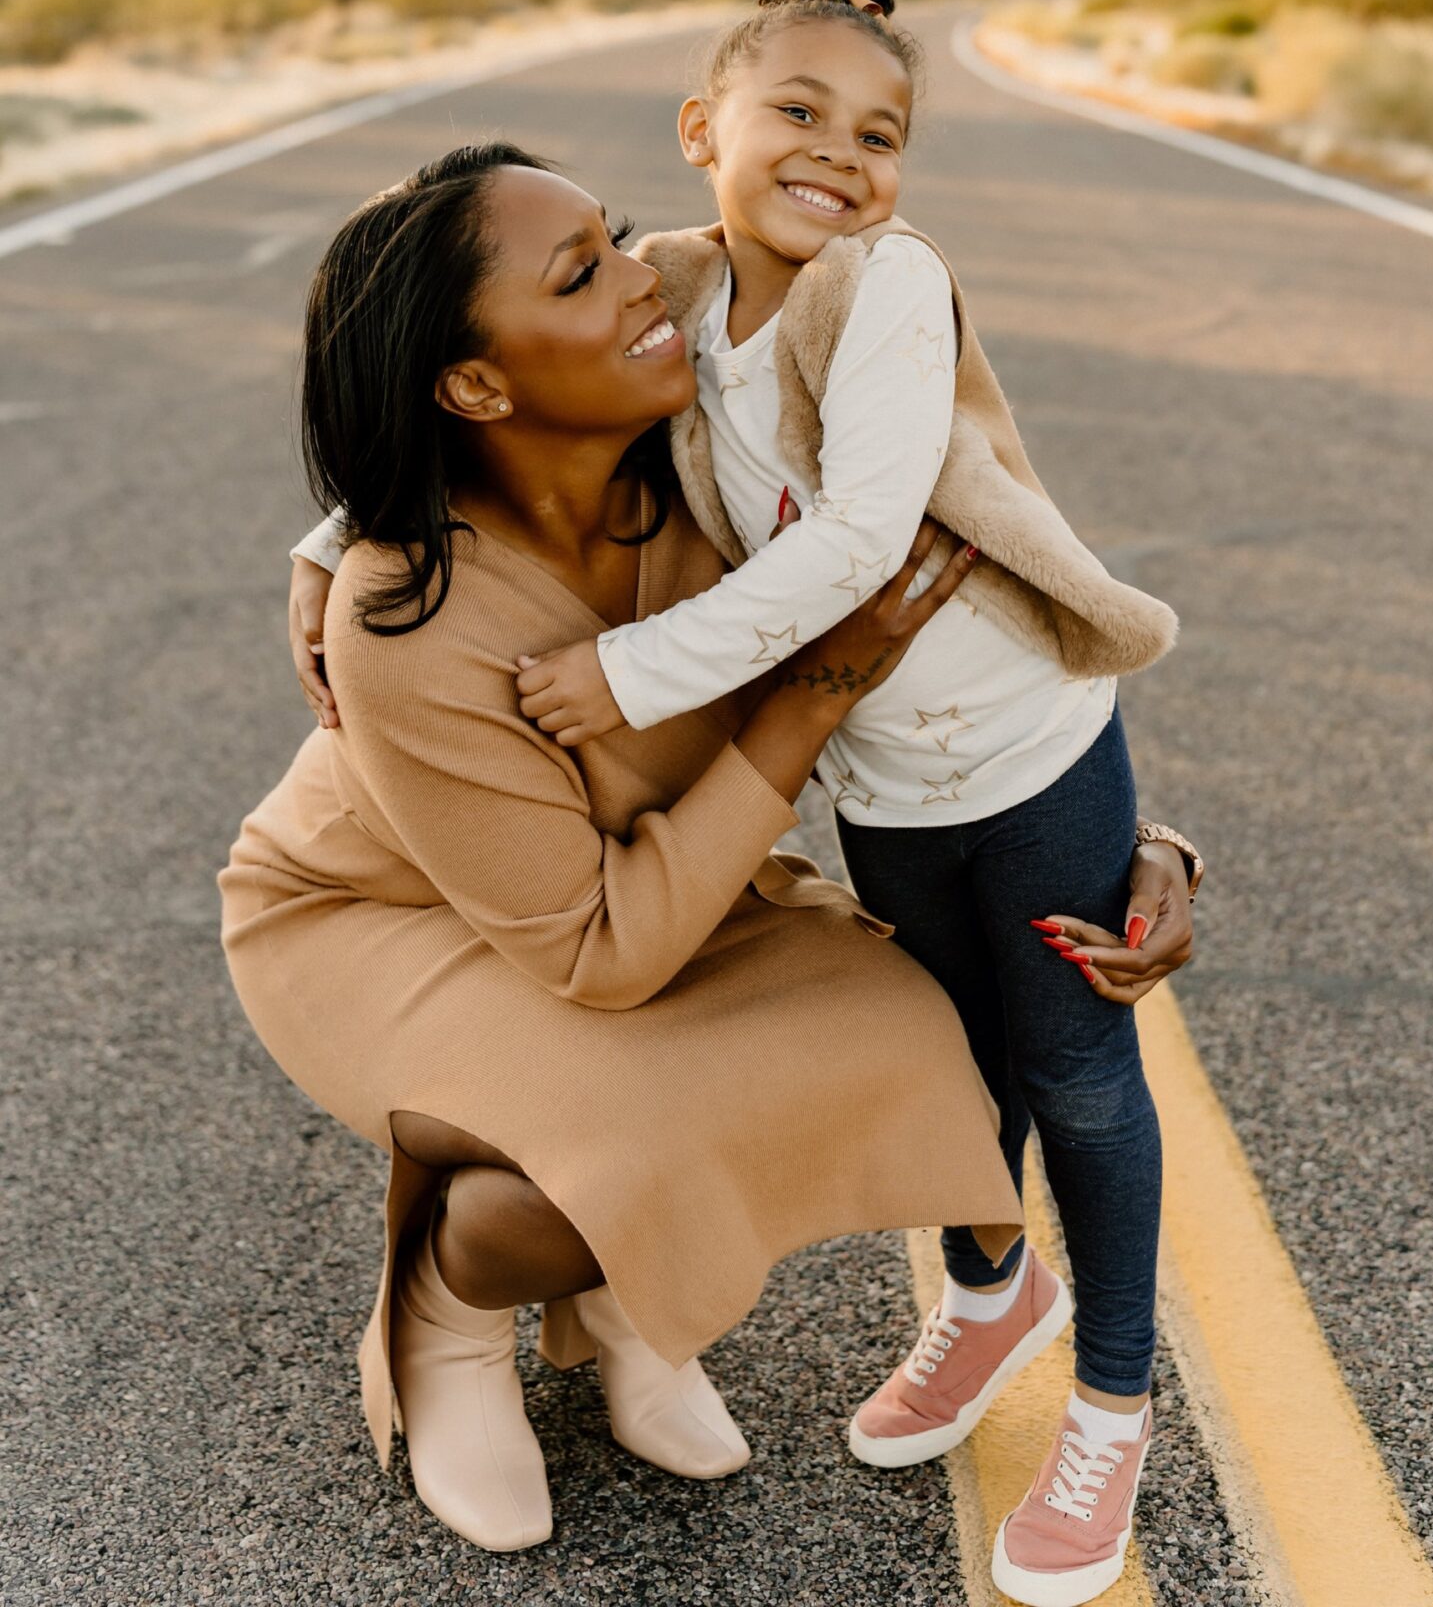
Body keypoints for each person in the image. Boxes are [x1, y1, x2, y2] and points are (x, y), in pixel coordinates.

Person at [291, 0, 1203, 1607]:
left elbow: (878, 552)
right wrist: (342, 541)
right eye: (798, 112)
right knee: (806, 1093)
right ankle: (490, 1314)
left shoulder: (799, 315)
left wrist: (1136, 832)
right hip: (541, 876)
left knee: (1011, 1060)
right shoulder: (661, 323)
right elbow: (458, 390)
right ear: (703, 128)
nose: (841, 162)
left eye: (880, 136)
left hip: (917, 783)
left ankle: (1075, 1382)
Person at [226, 141, 1024, 1557]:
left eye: (615, 235)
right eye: (584, 270)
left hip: (643, 866)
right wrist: (815, 690)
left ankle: (619, 1299)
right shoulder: (401, 613)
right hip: (375, 913)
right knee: (587, 1169)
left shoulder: (709, 449)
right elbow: (599, 954)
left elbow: (988, 609)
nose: (647, 270)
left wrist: (1135, 838)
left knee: (919, 1024)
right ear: (475, 385)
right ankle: (453, 1318)